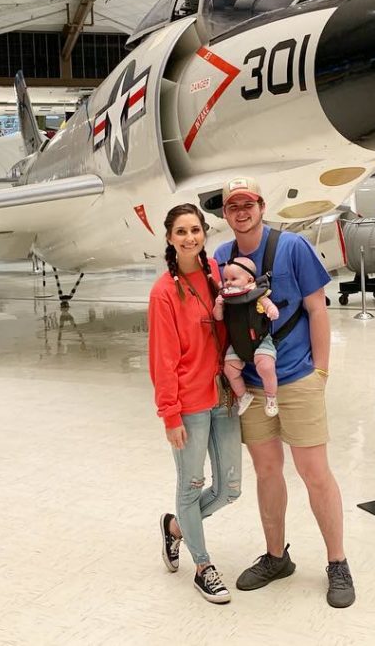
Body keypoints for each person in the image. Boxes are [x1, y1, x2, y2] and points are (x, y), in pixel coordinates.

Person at [214, 176, 356, 608]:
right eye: (233, 206)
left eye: (248, 203)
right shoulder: (221, 256)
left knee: (314, 472)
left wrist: (322, 372)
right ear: (225, 213)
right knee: (267, 471)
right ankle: (277, 557)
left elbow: (317, 309)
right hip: (252, 387)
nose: (242, 211)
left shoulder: (293, 248)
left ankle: (337, 561)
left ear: (261, 205)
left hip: (297, 377)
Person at [149, 203, 242, 604]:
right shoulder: (163, 292)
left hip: (224, 397)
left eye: (195, 230)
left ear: (205, 233)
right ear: (170, 238)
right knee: (192, 486)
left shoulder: (218, 277)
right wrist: (170, 414)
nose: (189, 238)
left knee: (230, 489)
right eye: (181, 232)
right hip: (188, 403)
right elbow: (162, 359)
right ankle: (203, 566)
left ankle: (175, 529)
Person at [214, 255, 281, 417]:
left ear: (249, 279)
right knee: (230, 370)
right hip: (238, 344)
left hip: (260, 341)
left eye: (233, 278)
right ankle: (243, 395)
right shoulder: (226, 299)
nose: (228, 282)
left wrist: (272, 310)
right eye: (226, 279)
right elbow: (218, 318)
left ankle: (271, 397)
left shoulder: (257, 295)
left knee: (266, 366)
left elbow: (269, 306)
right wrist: (218, 305)